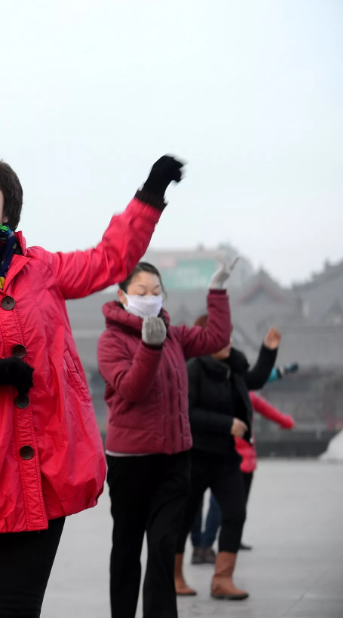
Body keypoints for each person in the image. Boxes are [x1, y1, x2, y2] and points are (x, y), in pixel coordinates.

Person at [0, 154, 184, 617]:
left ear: (8, 210)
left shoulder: (41, 269)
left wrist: (149, 196)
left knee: (16, 607)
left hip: (41, 471)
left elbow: (110, 260)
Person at [96, 260, 233, 618]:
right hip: (130, 463)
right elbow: (131, 388)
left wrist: (216, 291)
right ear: (123, 296)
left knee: (161, 546)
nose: (150, 298)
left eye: (157, 292)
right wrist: (149, 348)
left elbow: (216, 339)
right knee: (127, 548)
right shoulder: (111, 341)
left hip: (175, 460)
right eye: (142, 292)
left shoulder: (175, 335)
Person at [176, 322, 280, 600]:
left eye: (228, 336)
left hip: (225, 458)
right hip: (194, 457)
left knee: (236, 513)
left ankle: (222, 579)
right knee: (184, 518)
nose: (227, 341)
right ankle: (174, 576)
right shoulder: (194, 369)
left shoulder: (234, 367)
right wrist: (227, 424)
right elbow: (188, 412)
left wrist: (268, 351)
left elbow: (256, 378)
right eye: (221, 336)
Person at [191, 364, 297, 562]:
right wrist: (286, 422)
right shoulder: (241, 393)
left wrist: (279, 371)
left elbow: (256, 378)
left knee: (213, 506)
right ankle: (207, 545)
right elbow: (257, 380)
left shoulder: (210, 390)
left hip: (224, 456)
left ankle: (202, 545)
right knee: (226, 508)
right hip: (232, 459)